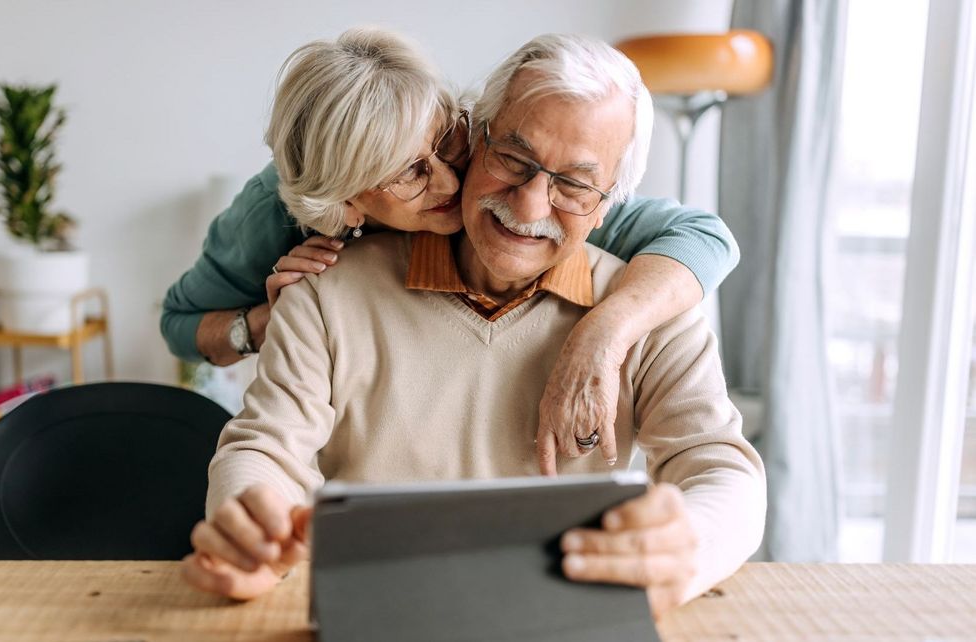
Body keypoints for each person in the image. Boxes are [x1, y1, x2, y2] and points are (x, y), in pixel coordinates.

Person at [183, 33, 766, 618]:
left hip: (561, 617)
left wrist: (689, 546)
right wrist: (254, 520)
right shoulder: (318, 290)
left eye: (575, 183)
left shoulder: (651, 304)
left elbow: (720, 468)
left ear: (611, 199)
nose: (532, 206)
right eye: (514, 159)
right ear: (477, 139)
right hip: (377, 610)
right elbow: (264, 447)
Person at [160, 27, 740, 468]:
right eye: (408, 173)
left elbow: (707, 238)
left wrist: (602, 336)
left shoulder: (517, 183)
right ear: (347, 205)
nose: (449, 181)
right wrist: (269, 322)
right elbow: (181, 326)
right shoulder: (272, 217)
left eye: (448, 138)